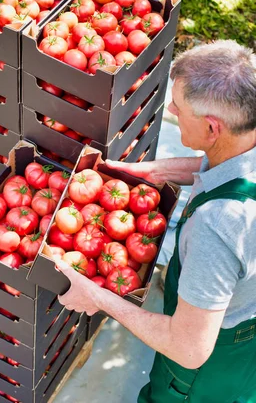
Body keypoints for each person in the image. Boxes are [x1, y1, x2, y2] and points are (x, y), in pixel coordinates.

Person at [56, 40, 256, 403]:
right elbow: (225, 169)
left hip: (206, 370)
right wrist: (155, 170)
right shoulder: (246, 139)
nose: (174, 113)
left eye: (178, 109)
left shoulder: (217, 224)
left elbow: (190, 349)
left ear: (212, 129)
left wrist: (99, 297)